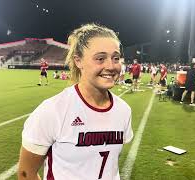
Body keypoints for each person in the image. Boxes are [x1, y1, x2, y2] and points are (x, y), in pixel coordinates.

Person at [18, 23, 133, 180]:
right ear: (78, 61)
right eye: (100, 58)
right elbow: (26, 173)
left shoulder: (124, 110)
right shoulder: (52, 110)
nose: (111, 66)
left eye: (116, 58)